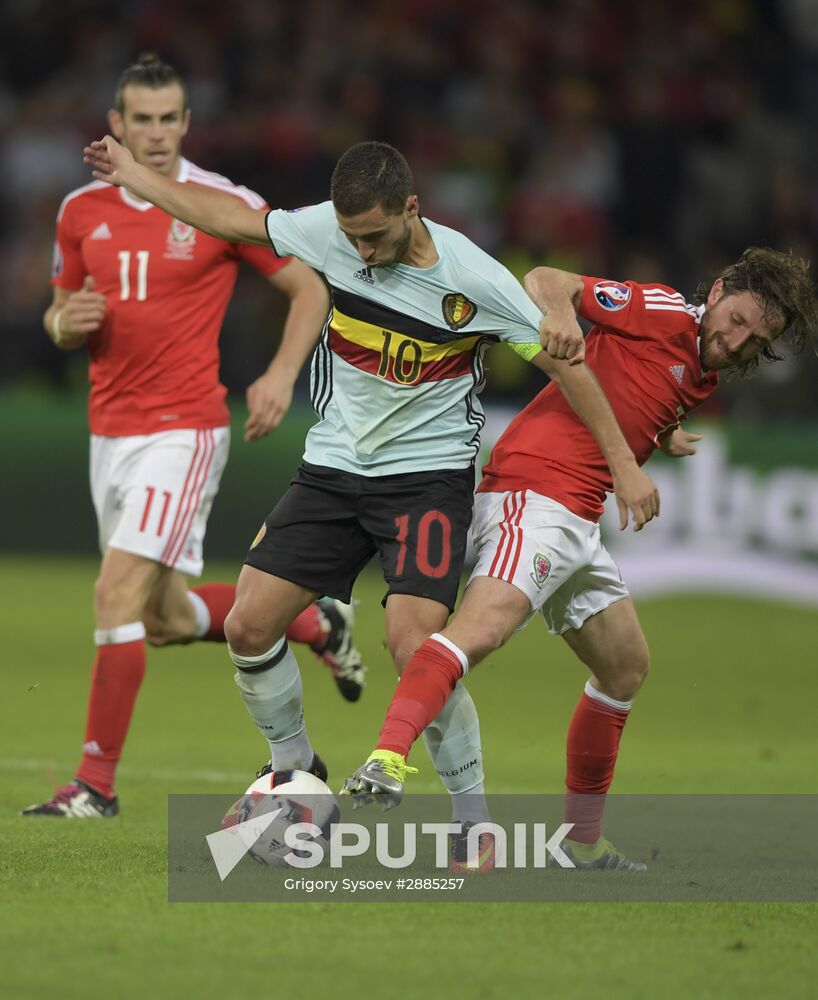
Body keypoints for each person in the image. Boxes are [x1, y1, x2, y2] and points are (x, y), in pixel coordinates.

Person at [80, 129, 660, 861]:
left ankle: (471, 821)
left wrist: (624, 465)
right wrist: (135, 174)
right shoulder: (329, 231)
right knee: (248, 628)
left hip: (426, 481)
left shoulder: (475, 280)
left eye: (376, 236)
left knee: (415, 645)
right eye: (351, 237)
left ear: (411, 209)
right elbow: (225, 217)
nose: (360, 253)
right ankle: (296, 771)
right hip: (332, 469)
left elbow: (569, 372)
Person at [343, 248, 816, 869]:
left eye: (757, 339)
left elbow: (638, 383)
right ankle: (387, 758)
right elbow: (544, 280)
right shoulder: (662, 309)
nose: (736, 341)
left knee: (624, 667)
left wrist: (660, 429)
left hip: (575, 514)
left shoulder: (700, 368)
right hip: (536, 491)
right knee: (479, 632)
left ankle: (580, 842)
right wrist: (562, 315)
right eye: (736, 319)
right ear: (720, 289)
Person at [22, 54, 364, 820]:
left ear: (185, 122)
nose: (152, 132)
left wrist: (281, 373)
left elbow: (310, 285)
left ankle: (94, 787)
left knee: (113, 591)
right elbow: (59, 311)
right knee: (162, 618)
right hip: (107, 432)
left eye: (166, 117)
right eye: (137, 119)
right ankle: (316, 621)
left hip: (184, 429)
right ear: (116, 124)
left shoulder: (218, 203)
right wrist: (62, 323)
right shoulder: (79, 211)